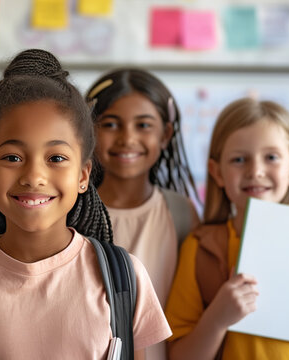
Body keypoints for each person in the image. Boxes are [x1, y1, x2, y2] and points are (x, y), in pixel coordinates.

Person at [0, 49, 171, 359]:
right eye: (12, 158)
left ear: (84, 175)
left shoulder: (124, 278)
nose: (34, 176)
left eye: (56, 158)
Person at [165, 98, 289, 360]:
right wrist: (217, 319)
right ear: (217, 173)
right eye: (239, 159)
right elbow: (180, 356)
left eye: (271, 157)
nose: (255, 171)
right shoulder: (201, 247)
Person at [86, 69, 201, 359]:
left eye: (143, 125)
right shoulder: (69, 211)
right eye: (111, 124)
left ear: (166, 134)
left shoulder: (181, 214)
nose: (127, 138)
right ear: (88, 131)